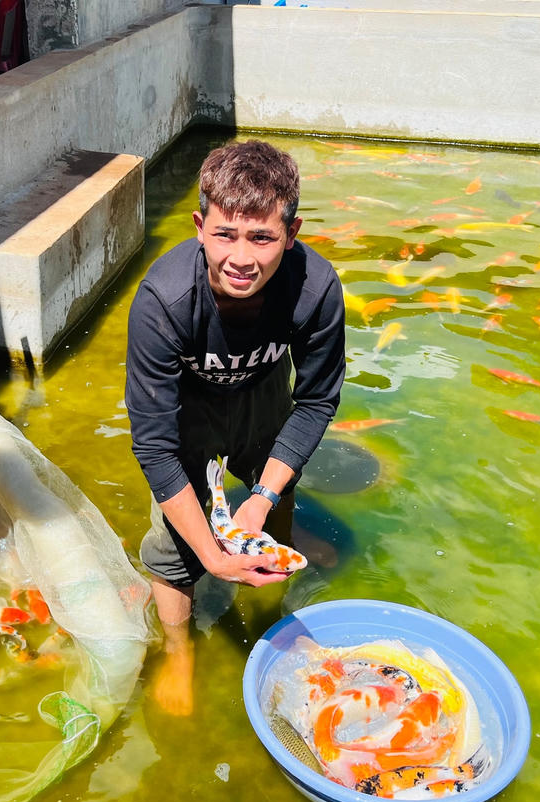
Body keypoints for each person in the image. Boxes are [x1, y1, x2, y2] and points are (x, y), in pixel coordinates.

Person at [125, 140, 346, 715]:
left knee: (276, 522)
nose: (241, 258)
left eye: (262, 237)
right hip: (188, 420)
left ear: (291, 232)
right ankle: (179, 651)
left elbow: (317, 400)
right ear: (200, 226)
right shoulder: (164, 301)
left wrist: (264, 494)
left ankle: (273, 620)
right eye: (225, 234)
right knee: (177, 552)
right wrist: (215, 556)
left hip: (265, 405)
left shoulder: (316, 289)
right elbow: (153, 444)